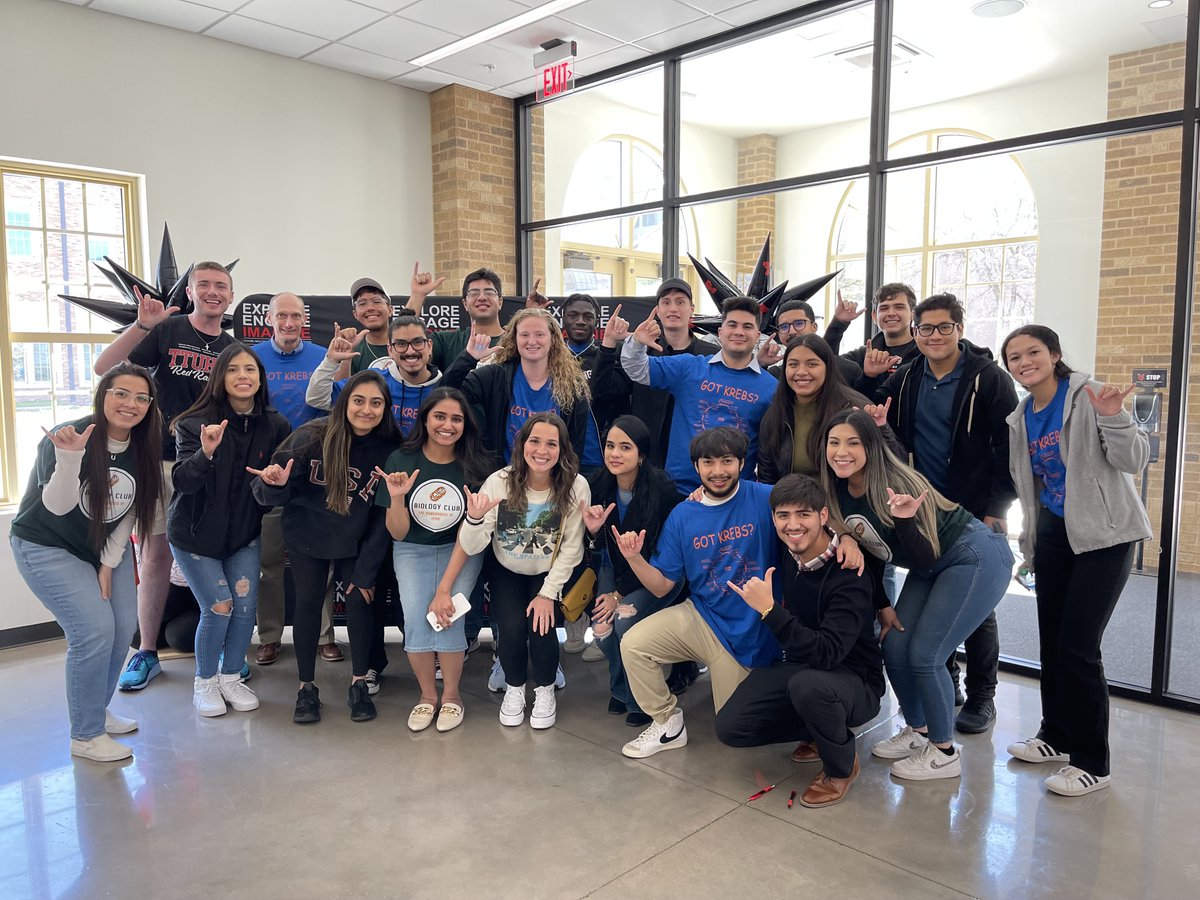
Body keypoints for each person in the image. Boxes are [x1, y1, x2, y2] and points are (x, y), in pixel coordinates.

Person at [819, 410, 1014, 781]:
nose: (841, 452)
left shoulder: (896, 481)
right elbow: (874, 554)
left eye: (853, 443)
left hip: (972, 555)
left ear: (871, 446)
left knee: (926, 655)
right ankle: (919, 730)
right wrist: (882, 605)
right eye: (834, 442)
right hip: (932, 565)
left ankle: (943, 752)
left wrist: (905, 520)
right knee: (893, 645)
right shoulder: (839, 490)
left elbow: (926, 556)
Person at [1001, 325, 1151, 797]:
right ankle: (1057, 736)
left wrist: (1115, 418)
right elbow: (1033, 489)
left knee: (1079, 647)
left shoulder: (1088, 395)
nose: (1025, 363)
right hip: (1054, 534)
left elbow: (1135, 461)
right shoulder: (1021, 415)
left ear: (1055, 354)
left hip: (1105, 535)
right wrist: (1029, 546)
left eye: (1033, 353)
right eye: (1015, 357)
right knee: (1052, 643)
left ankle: (1093, 762)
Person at [873, 293, 1017, 733]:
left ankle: (982, 697)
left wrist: (996, 508)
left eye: (943, 327)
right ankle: (947, 682)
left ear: (959, 329)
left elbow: (1008, 449)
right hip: (924, 509)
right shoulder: (908, 376)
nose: (934, 336)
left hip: (973, 509)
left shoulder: (987, 379)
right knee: (937, 603)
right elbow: (876, 413)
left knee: (977, 609)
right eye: (925, 328)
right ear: (914, 333)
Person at [92, 263, 236, 691]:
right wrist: (141, 325)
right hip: (162, 461)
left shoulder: (231, 347)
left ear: (230, 296)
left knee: (219, 556)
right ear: (190, 291)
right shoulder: (166, 331)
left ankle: (224, 654)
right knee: (155, 557)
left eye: (221, 286)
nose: (213, 292)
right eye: (205, 285)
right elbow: (105, 369)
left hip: (211, 463)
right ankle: (147, 652)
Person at [10, 362, 163, 761]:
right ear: (103, 395)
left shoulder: (145, 444)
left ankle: (96, 708)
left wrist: (108, 564)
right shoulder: (70, 436)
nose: (131, 404)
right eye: (121, 394)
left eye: (141, 397)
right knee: (93, 630)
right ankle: (85, 734)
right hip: (47, 544)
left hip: (101, 548)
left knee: (123, 626)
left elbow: (131, 511)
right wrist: (69, 458)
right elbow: (57, 508)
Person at [715, 475, 884, 808]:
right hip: (805, 668)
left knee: (810, 686)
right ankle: (820, 733)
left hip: (856, 682)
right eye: (783, 516)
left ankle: (840, 767)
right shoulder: (788, 549)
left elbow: (827, 653)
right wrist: (701, 494)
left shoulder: (849, 573)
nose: (793, 525)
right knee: (731, 727)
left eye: (803, 514)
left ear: (823, 517)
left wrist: (769, 610)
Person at [610, 427, 781, 759]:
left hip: (753, 631)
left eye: (727, 461)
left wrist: (844, 538)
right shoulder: (683, 516)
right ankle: (667, 722)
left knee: (734, 729)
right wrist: (634, 558)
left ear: (743, 463)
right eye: (708, 463)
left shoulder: (767, 498)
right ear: (697, 467)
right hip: (703, 618)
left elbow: (813, 517)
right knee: (633, 642)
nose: (718, 471)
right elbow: (662, 585)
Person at [250, 371, 400, 724]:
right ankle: (306, 687)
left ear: (386, 408)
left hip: (357, 540)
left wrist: (366, 568)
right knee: (307, 605)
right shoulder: (309, 437)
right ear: (344, 402)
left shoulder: (392, 447)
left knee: (360, 603)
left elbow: (384, 516)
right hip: (307, 536)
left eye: (376, 403)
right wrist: (275, 485)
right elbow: (265, 492)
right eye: (358, 401)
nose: (366, 410)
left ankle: (359, 683)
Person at [435, 413, 589, 730]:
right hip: (508, 568)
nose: (542, 450)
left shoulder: (576, 485)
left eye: (551, 443)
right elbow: (473, 544)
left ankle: (545, 689)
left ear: (562, 449)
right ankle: (515, 688)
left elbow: (572, 548)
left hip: (549, 571)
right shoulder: (499, 482)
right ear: (522, 444)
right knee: (511, 628)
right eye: (535, 441)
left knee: (542, 626)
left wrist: (547, 594)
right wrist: (475, 519)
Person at [168, 343, 290, 717]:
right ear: (220, 377)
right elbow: (183, 482)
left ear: (260, 378)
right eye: (234, 369)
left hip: (243, 536)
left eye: (250, 370)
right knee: (218, 608)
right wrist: (205, 454)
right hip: (195, 537)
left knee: (244, 609)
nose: (243, 376)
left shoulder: (275, 424)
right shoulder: (194, 423)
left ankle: (230, 677)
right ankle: (204, 682)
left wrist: (275, 480)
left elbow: (273, 491)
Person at [376, 388, 494, 733]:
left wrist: (444, 589)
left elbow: (469, 533)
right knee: (416, 619)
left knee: (447, 616)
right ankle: (427, 697)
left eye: (456, 418)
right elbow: (397, 534)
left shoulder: (478, 465)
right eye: (440, 416)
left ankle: (453, 697)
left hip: (462, 549)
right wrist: (397, 499)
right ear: (425, 419)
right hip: (413, 548)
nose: (447, 425)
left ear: (466, 424)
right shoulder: (400, 459)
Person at [618, 296, 779, 493]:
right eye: (732, 325)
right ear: (721, 332)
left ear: (757, 335)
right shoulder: (689, 367)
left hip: (736, 496)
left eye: (747, 326)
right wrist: (637, 342)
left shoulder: (771, 388)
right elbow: (638, 370)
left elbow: (772, 449)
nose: (739, 331)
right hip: (678, 492)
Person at [252, 291, 336, 667]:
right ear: (269, 318)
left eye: (296, 316)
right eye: (281, 316)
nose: (289, 323)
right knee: (269, 560)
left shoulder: (323, 356)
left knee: (321, 561)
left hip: (316, 475)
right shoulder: (251, 358)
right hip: (270, 470)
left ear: (304, 319)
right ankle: (269, 636)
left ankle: (323, 636)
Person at [582, 416, 683, 727]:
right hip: (615, 570)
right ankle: (621, 688)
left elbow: (659, 553)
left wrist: (617, 595)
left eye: (625, 447)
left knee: (624, 623)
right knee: (601, 630)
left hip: (656, 574)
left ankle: (639, 699)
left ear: (641, 454)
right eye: (611, 445)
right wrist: (592, 532)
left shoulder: (662, 489)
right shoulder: (599, 483)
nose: (615, 453)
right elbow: (595, 549)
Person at [592, 278, 717, 469]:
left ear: (691, 308)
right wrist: (608, 342)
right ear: (657, 310)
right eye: (666, 302)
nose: (673, 308)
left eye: (680, 302)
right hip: (646, 462)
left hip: (694, 463)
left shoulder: (711, 355)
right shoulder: (639, 353)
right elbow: (602, 390)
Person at [443, 308, 591, 463]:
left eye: (539, 334)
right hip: (502, 478)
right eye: (524, 335)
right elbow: (445, 393)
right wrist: (469, 357)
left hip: (550, 480)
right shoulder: (495, 377)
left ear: (553, 338)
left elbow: (574, 448)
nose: (532, 341)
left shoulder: (573, 387)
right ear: (515, 338)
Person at [758, 334, 902, 485]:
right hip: (796, 505)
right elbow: (767, 478)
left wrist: (882, 429)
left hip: (847, 505)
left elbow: (895, 461)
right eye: (793, 364)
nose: (801, 372)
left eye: (812, 364)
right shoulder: (774, 415)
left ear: (828, 367)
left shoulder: (852, 406)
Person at [307, 313, 444, 435]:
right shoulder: (374, 381)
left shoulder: (445, 387)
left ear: (430, 346)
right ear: (390, 350)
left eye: (418, 342)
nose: (410, 351)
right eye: (401, 344)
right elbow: (316, 398)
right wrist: (331, 361)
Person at [824, 282, 919, 396]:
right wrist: (839, 324)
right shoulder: (861, 356)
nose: (891, 313)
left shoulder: (925, 355)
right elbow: (824, 362)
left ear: (913, 314)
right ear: (874, 316)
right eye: (884, 308)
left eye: (899, 307)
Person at [769, 299, 860, 385]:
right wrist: (761, 364)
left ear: (814, 327)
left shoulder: (848, 370)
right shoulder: (774, 376)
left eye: (799, 323)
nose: (792, 331)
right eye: (784, 327)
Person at [338, 277, 395, 375]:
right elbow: (341, 388)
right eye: (362, 303)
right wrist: (346, 356)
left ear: (390, 310)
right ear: (355, 314)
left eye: (376, 301)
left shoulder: (407, 344)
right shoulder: (354, 350)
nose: (370, 308)